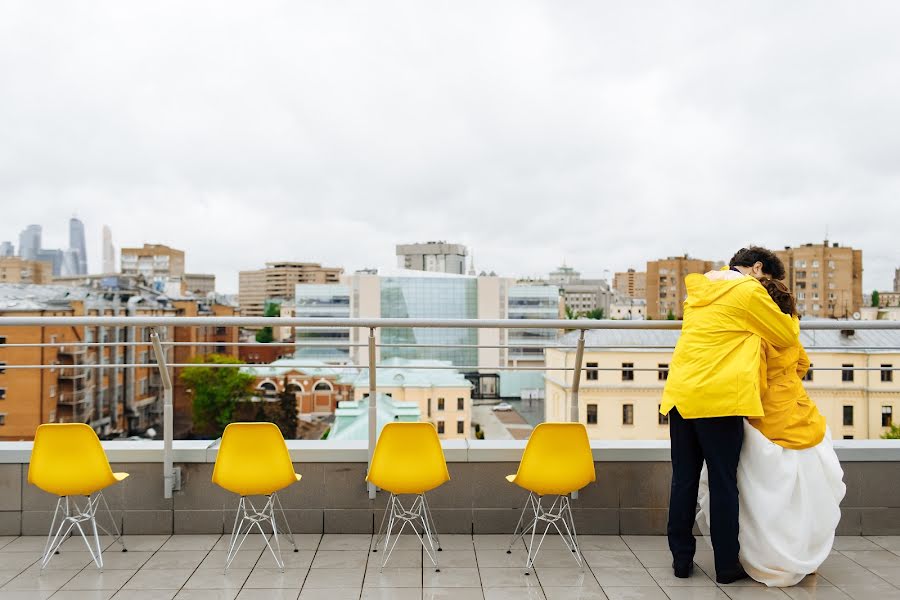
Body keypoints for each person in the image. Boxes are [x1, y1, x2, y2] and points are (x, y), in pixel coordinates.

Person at [660, 246, 799, 584]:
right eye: (767, 280)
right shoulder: (748, 290)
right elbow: (786, 334)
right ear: (756, 268)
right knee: (723, 483)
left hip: (681, 395)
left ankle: (681, 560)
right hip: (719, 399)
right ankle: (725, 566)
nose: (767, 288)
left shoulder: (704, 287)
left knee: (683, 481)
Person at [697, 278, 846, 587]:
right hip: (801, 412)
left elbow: (756, 380)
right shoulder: (788, 331)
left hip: (767, 418)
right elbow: (802, 363)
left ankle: (762, 555)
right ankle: (804, 552)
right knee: (804, 498)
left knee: (751, 490)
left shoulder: (756, 335)